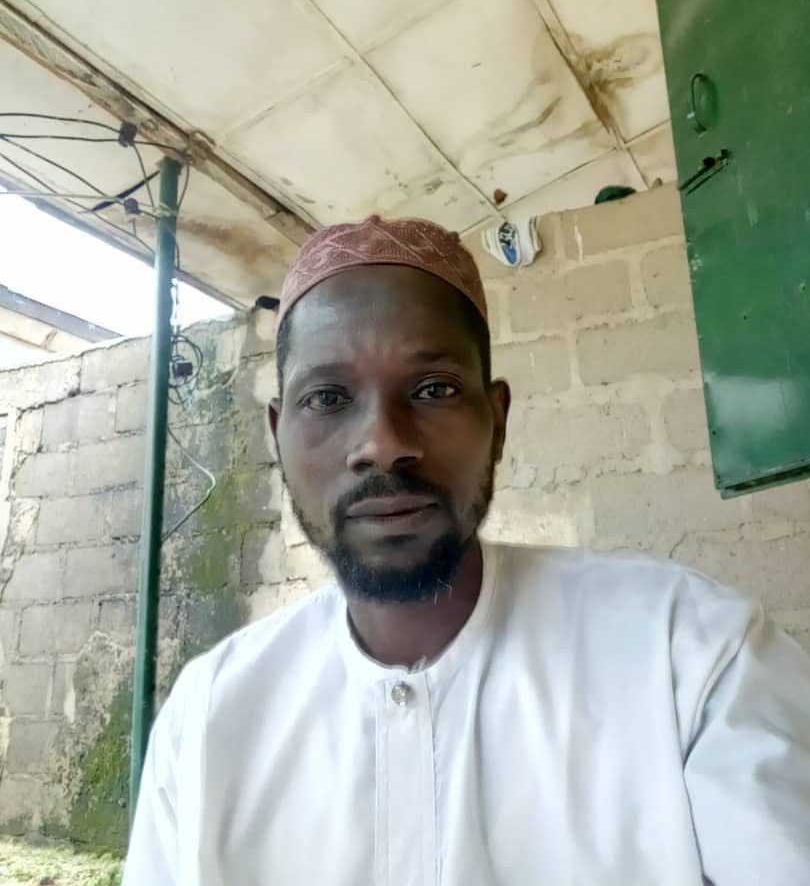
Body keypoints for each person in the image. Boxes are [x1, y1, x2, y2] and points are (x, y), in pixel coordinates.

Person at [123, 215, 810, 885]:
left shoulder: (690, 659)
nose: (383, 444)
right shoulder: (208, 720)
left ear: (497, 421)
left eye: (434, 390)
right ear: (278, 435)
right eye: (328, 398)